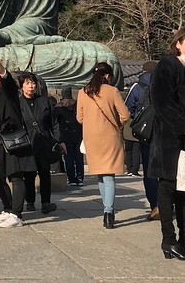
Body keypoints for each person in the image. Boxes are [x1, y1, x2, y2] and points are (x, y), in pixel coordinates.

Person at [148, 28, 185, 261]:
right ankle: (169, 240)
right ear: (178, 44)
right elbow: (161, 101)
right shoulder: (167, 64)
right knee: (167, 186)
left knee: (184, 189)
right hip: (167, 137)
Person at [0, 58, 37, 228]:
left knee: (16, 175)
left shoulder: (6, 91)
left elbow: (10, 85)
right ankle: (7, 208)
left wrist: (3, 70)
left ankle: (17, 214)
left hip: (11, 137)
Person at [76, 62, 130, 229]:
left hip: (92, 137)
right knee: (109, 176)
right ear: (107, 76)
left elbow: (79, 118)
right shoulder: (112, 91)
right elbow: (126, 115)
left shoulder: (82, 92)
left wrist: (92, 123)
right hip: (110, 136)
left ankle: (106, 210)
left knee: (100, 174)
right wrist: (116, 123)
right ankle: (108, 212)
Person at [18, 72, 62, 214]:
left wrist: (58, 140)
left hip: (44, 142)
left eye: (32, 83)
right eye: (27, 83)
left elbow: (53, 123)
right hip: (28, 143)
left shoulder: (44, 101)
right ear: (22, 87)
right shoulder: (18, 103)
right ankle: (30, 201)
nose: (31, 86)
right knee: (29, 174)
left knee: (45, 173)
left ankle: (46, 202)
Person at [125, 61, 159, 220]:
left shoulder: (137, 87)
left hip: (146, 133)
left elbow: (127, 110)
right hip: (164, 132)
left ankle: (155, 205)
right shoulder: (164, 83)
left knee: (149, 170)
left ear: (143, 71)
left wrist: (139, 118)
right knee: (167, 170)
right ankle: (168, 204)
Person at [55, 86, 84, 186]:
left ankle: (71, 178)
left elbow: (55, 122)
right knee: (79, 156)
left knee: (69, 157)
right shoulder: (77, 104)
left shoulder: (58, 107)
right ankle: (80, 177)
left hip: (65, 135)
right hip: (78, 134)